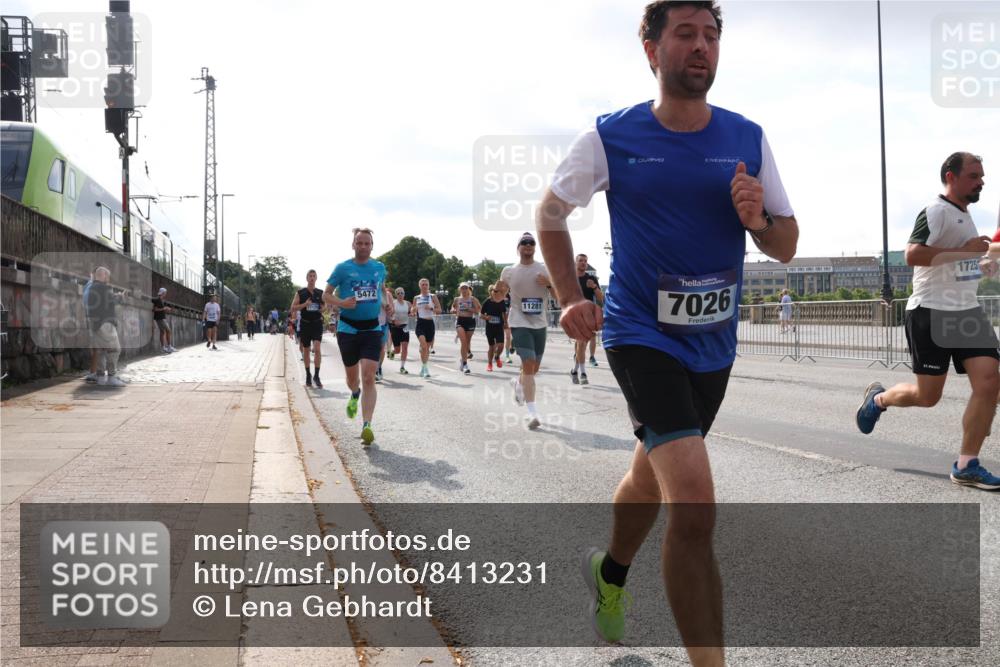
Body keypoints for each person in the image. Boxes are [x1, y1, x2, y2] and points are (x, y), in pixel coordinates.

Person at [537, 2, 799, 662]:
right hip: (638, 334)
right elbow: (550, 212)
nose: (702, 46)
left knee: (649, 476)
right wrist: (569, 297)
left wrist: (759, 221)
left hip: (712, 342)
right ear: (652, 51)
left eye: (711, 35)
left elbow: (789, 243)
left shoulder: (747, 137)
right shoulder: (612, 136)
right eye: (685, 34)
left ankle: (610, 570)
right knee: (695, 503)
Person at [859, 152, 999, 491]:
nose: (981, 180)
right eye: (973, 175)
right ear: (951, 177)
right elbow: (914, 254)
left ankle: (967, 464)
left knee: (990, 382)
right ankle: (879, 399)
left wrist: (986, 265)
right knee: (927, 396)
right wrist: (967, 252)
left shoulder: (967, 217)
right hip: (931, 311)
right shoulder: (936, 211)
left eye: (982, 175)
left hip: (966, 311)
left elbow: (960, 268)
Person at [324, 227, 386, 446]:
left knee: (369, 375)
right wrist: (342, 303)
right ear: (353, 245)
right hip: (348, 328)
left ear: (372, 245)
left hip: (371, 329)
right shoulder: (342, 268)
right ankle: (354, 393)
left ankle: (367, 424)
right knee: (352, 379)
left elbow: (381, 289)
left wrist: (385, 304)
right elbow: (326, 294)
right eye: (359, 243)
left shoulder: (379, 267)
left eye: (367, 243)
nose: (363, 246)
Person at [500, 232, 554, 430]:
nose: (528, 245)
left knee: (533, 369)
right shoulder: (509, 271)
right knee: (529, 363)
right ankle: (533, 413)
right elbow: (499, 298)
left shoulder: (544, 269)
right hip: (518, 321)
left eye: (531, 242)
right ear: (518, 247)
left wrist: (548, 284)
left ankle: (517, 384)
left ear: (535, 247)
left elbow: (557, 294)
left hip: (540, 323)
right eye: (524, 242)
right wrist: (497, 290)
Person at [85, 266, 128, 387]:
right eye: (107, 276)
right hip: (106, 324)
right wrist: (120, 296)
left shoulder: (92, 287)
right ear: (103, 275)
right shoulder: (104, 287)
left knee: (101, 350)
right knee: (114, 349)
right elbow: (112, 300)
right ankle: (111, 377)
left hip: (96, 324)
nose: (108, 278)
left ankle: (100, 376)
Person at [291, 269, 326, 388]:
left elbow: (324, 306)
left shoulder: (320, 292)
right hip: (305, 324)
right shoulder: (300, 293)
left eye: (314, 276)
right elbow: (293, 307)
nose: (312, 278)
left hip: (317, 324)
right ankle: (307, 374)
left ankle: (316, 375)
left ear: (316, 278)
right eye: (310, 276)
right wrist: (305, 305)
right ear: (307, 278)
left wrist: (323, 309)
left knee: (317, 349)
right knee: (306, 350)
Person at [572, 254, 604, 384]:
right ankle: (583, 373)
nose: (583, 263)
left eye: (585, 261)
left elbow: (601, 298)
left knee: (581, 345)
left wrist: (594, 287)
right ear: (575, 263)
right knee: (581, 343)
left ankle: (575, 370)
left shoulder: (591, 278)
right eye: (581, 261)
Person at [411, 278, 443, 378]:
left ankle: (423, 368)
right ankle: (425, 369)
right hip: (420, 323)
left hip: (430, 323)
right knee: (424, 346)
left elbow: (439, 310)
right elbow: (412, 311)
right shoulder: (416, 298)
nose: (424, 286)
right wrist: (413, 310)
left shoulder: (432, 296)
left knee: (426, 349)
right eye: (423, 284)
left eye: (426, 284)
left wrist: (431, 308)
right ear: (419, 286)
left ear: (428, 286)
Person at [451, 283, 482, 374]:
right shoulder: (457, 299)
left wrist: (470, 309)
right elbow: (452, 308)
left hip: (470, 321)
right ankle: (465, 364)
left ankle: (463, 359)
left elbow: (478, 310)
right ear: (459, 290)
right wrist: (453, 310)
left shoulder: (473, 299)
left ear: (469, 289)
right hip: (460, 321)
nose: (464, 290)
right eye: (462, 288)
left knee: (467, 343)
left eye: (466, 288)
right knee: (463, 342)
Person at [481, 282, 509, 371]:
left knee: (501, 345)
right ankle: (489, 364)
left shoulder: (501, 301)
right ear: (490, 292)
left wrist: (505, 322)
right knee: (491, 347)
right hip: (490, 327)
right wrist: (486, 317)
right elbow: (481, 315)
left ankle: (497, 357)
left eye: (496, 291)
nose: (494, 293)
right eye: (493, 291)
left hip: (499, 326)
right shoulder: (487, 302)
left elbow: (504, 312)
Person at [389, 287, 412, 374]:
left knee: (405, 348)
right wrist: (394, 320)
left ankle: (402, 367)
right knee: (398, 350)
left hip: (405, 327)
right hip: (395, 328)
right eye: (398, 293)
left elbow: (411, 312)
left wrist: (412, 313)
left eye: (402, 293)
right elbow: (389, 314)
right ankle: (392, 352)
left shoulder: (408, 303)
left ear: (404, 294)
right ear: (396, 295)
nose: (400, 295)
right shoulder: (393, 303)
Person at [152, 287, 175, 353]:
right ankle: (168, 347)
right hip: (160, 318)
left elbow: (159, 309)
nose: (166, 294)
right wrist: (164, 308)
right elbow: (154, 309)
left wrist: (167, 309)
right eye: (165, 293)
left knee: (163, 332)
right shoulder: (158, 300)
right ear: (163, 293)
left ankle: (164, 347)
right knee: (168, 330)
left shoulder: (161, 300)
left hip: (162, 318)